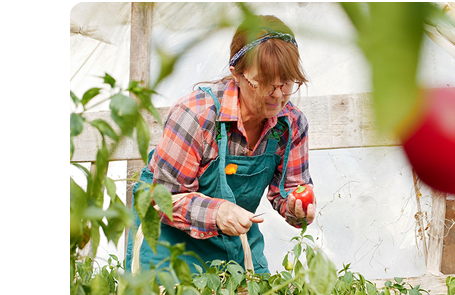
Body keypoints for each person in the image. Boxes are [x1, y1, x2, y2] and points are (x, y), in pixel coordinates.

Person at [126, 14, 315, 277]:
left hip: (235, 240)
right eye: (263, 81)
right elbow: (162, 199)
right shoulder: (197, 115)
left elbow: (290, 190)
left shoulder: (291, 124)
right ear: (236, 74)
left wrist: (297, 208)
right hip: (168, 246)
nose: (277, 94)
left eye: (286, 82)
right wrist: (218, 212)